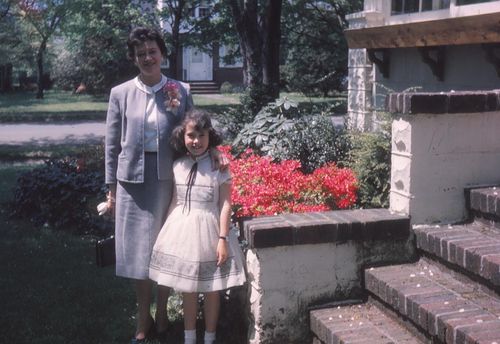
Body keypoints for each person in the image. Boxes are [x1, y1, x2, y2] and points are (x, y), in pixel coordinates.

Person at [104, 27, 226, 344]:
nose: (147, 57)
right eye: (141, 53)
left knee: (165, 247)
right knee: (137, 254)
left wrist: (214, 151)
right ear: (134, 58)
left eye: (152, 51)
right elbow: (111, 144)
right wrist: (110, 186)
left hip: (166, 181)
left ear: (162, 53)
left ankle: (162, 312)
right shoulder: (120, 93)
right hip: (131, 182)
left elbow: (196, 128)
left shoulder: (178, 89)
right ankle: (142, 321)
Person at [149, 109, 246, 344]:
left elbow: (225, 205)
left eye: (202, 136)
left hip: (210, 231)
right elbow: (175, 201)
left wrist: (222, 239)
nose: (196, 141)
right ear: (182, 136)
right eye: (191, 135)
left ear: (210, 137)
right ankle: (189, 337)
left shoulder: (219, 167)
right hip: (182, 230)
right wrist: (165, 234)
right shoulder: (178, 166)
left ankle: (210, 337)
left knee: (212, 288)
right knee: (188, 288)